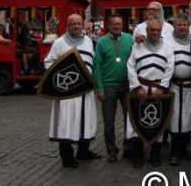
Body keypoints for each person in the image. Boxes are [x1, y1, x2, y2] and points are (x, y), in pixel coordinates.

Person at [43, 14, 100, 168]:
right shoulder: (60, 42)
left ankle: (83, 151)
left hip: (86, 89)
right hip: (67, 91)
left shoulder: (88, 41)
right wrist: (60, 75)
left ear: (83, 25)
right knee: (66, 121)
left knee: (85, 120)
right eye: (73, 24)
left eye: (79, 23)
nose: (76, 26)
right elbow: (48, 62)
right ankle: (66, 156)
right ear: (67, 26)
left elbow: (91, 62)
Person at [126, 18, 175, 168]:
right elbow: (130, 66)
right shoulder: (137, 46)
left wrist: (162, 87)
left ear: (161, 31)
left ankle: (155, 153)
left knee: (158, 122)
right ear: (146, 31)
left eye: (158, 30)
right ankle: (138, 154)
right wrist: (136, 87)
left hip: (158, 91)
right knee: (136, 122)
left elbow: (170, 67)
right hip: (140, 90)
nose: (155, 32)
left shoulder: (167, 46)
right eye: (152, 30)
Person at [93, 15, 134, 163]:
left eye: (119, 24)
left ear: (122, 25)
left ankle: (128, 146)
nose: (117, 26)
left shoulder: (130, 38)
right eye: (114, 24)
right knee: (109, 121)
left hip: (127, 85)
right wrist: (99, 88)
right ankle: (111, 150)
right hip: (108, 86)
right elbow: (97, 66)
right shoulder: (101, 42)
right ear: (109, 25)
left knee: (129, 118)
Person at [169, 14, 191, 165]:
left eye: (184, 25)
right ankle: (174, 151)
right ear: (174, 26)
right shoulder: (167, 40)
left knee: (187, 118)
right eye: (179, 25)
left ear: (188, 26)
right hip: (174, 86)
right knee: (175, 119)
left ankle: (184, 148)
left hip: (190, 87)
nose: (182, 27)